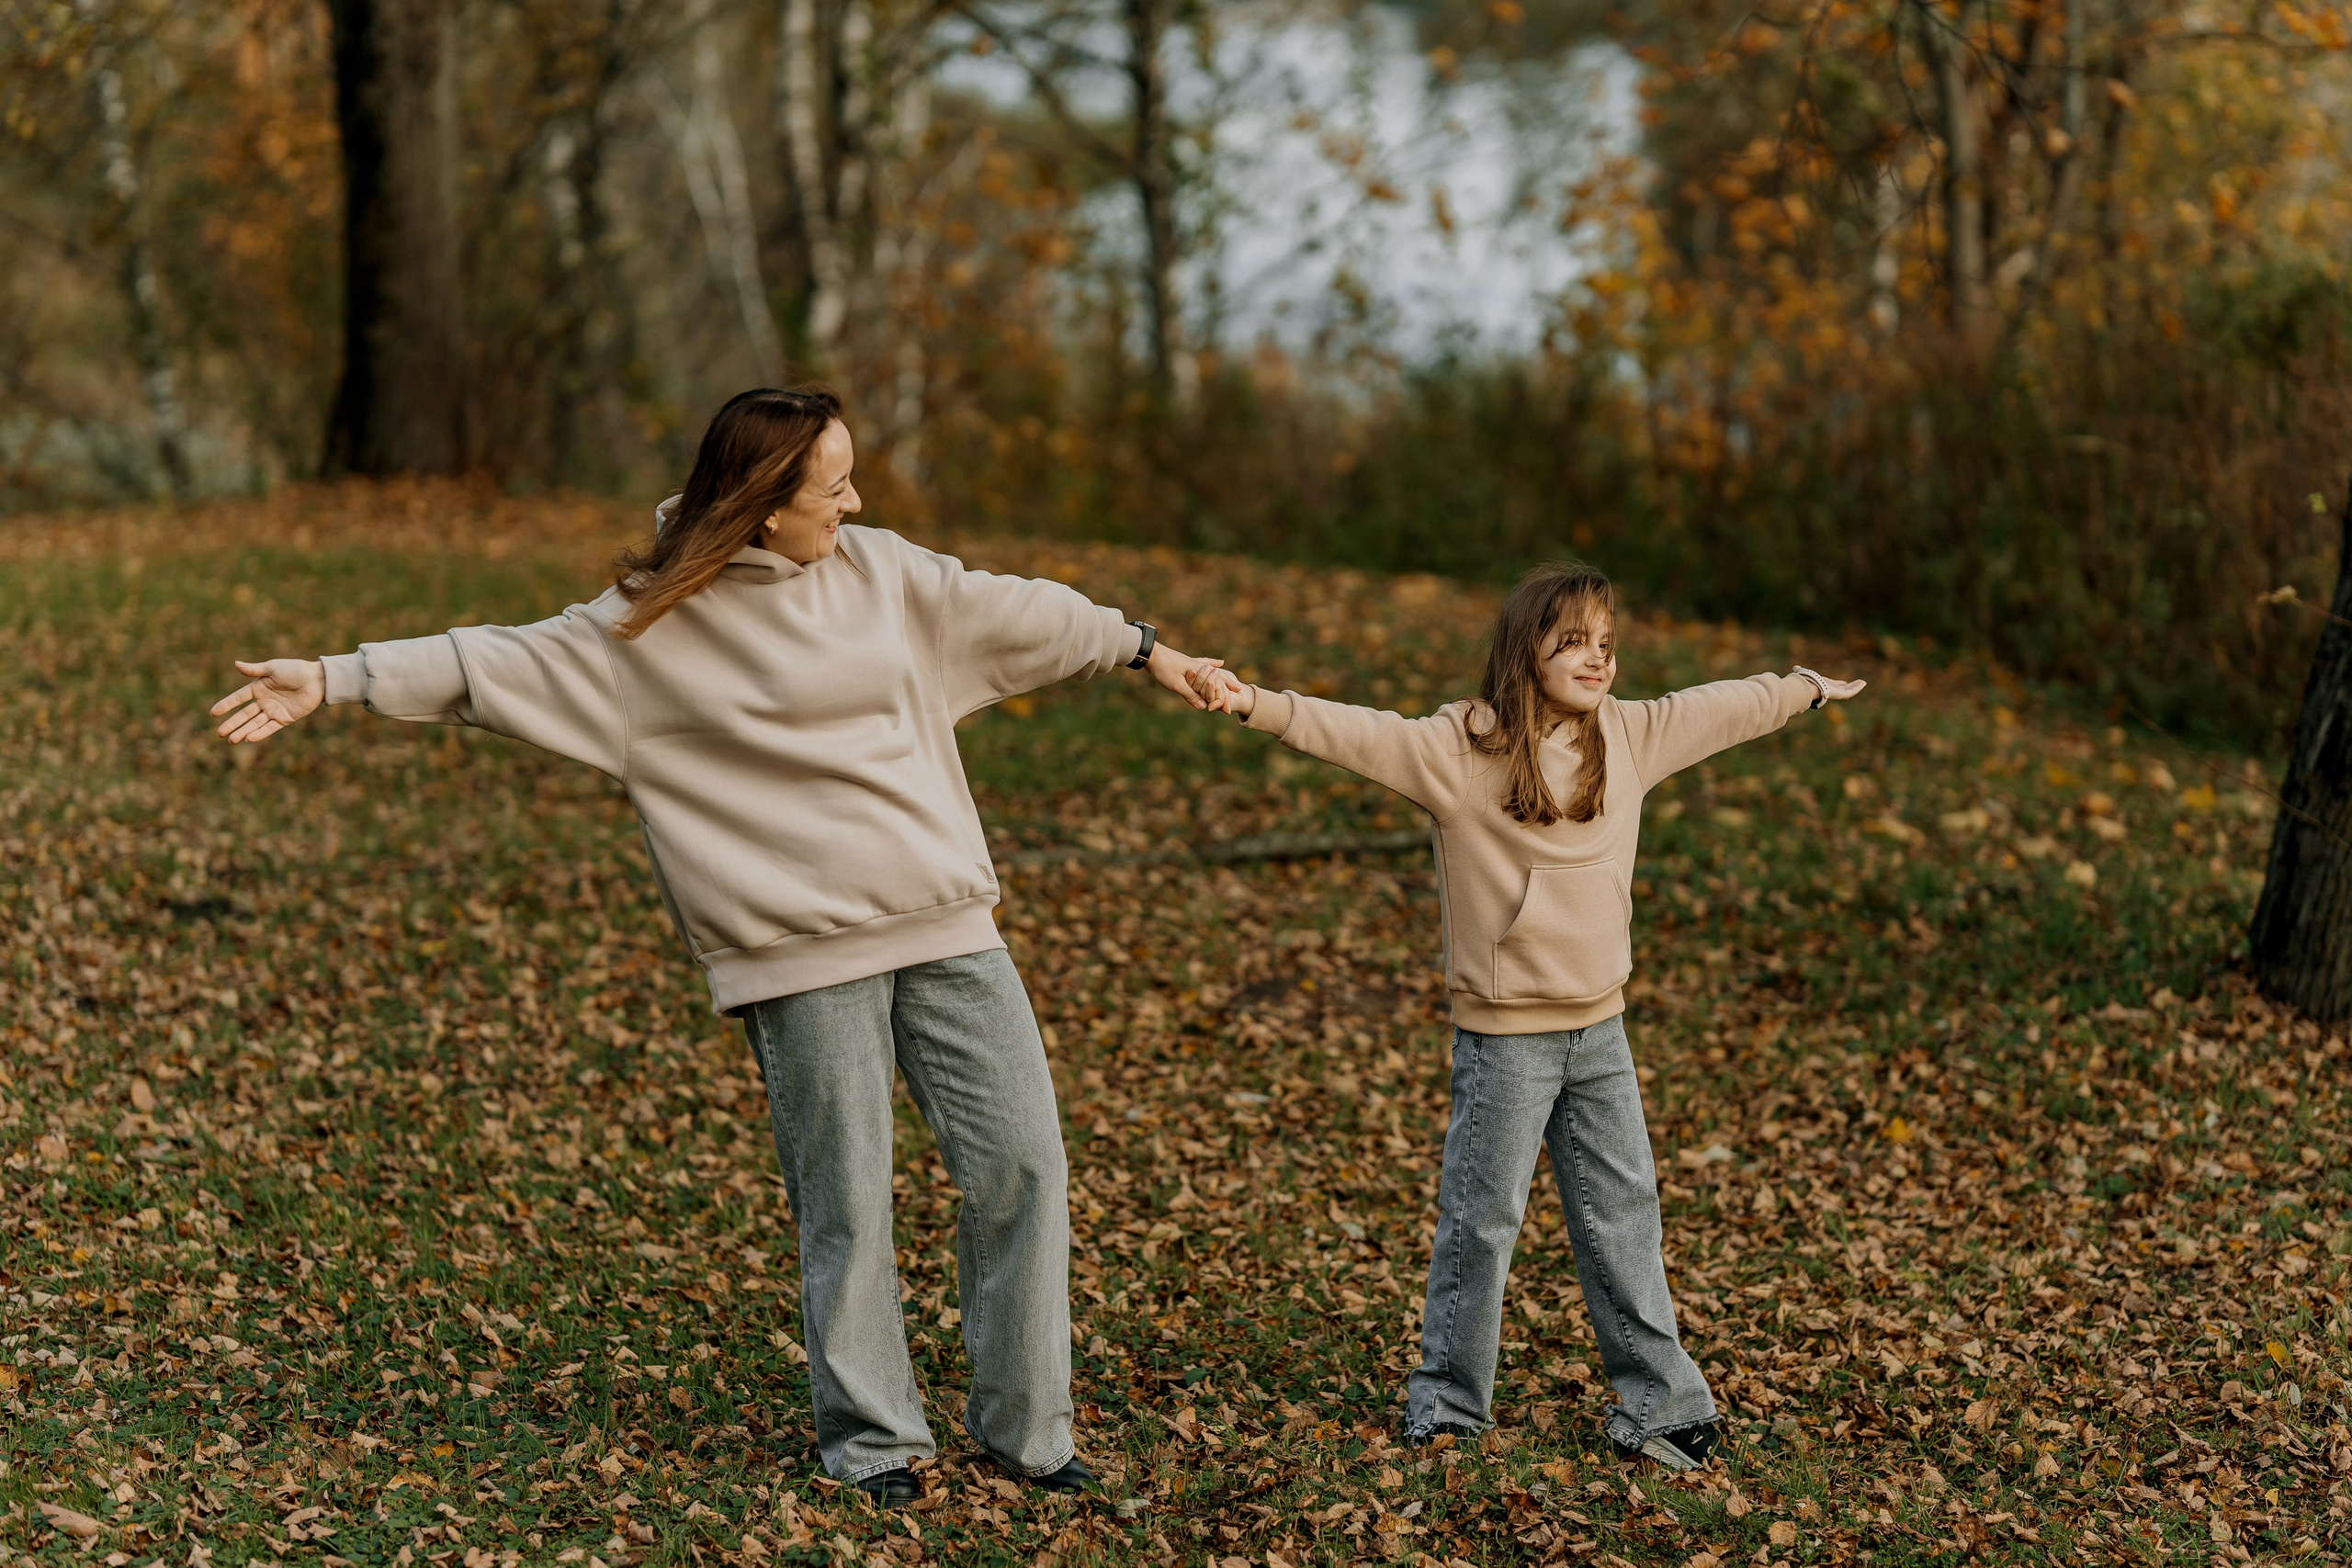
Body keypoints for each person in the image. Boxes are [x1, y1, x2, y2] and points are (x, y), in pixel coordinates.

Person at [209, 386, 1234, 1506]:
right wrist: (334, 678)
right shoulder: (643, 628)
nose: (855, 499)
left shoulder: (885, 575)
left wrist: (1146, 651)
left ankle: (1028, 1430)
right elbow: (485, 664)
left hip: (945, 926)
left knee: (1025, 1164)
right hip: (797, 952)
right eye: (833, 485)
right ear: (761, 506)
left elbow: (1024, 611)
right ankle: (876, 1440)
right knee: (846, 1199)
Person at [1188, 563, 1864, 1469]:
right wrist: (1251, 704)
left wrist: (1802, 689)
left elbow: (1722, 707)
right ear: (1526, 646)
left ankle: (1659, 1407)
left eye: (1606, 644)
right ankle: (1448, 1403)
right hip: (1505, 1040)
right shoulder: (1457, 748)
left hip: (1602, 1031)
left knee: (1623, 1214)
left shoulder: (1628, 735)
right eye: (1574, 641)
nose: (1597, 660)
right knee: (1482, 1219)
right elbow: (1350, 732)